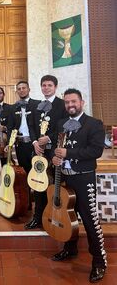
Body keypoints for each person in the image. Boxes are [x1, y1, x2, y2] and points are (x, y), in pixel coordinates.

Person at [51, 88, 107, 283]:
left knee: (90, 222)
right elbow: (56, 148)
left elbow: (95, 151)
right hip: (65, 180)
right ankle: (70, 249)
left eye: (73, 101)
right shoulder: (61, 123)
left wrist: (68, 154)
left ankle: (99, 262)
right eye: (67, 102)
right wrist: (55, 158)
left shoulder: (94, 124)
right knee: (68, 218)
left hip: (84, 180)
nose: (70, 105)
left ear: (82, 102)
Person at [25, 75, 67, 229]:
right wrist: (35, 142)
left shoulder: (62, 105)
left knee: (53, 185)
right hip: (39, 152)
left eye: (49, 85)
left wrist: (49, 138)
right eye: (44, 85)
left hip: (54, 153)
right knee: (38, 185)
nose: (46, 88)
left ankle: (53, 216)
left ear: (55, 87)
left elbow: (63, 127)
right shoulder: (37, 105)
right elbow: (31, 126)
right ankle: (38, 217)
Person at [6, 81, 39, 210]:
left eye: (23, 88)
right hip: (21, 145)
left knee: (36, 173)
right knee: (24, 173)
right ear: (17, 91)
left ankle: (39, 202)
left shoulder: (37, 104)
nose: (21, 90)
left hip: (34, 144)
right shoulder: (13, 108)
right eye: (19, 89)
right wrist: (10, 143)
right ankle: (27, 202)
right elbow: (10, 127)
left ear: (29, 89)